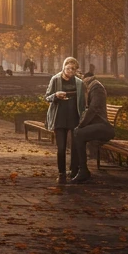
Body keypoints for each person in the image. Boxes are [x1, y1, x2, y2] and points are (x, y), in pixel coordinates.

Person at [44, 57, 85, 186]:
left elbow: (82, 102)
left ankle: (74, 171)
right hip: (59, 118)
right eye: (68, 68)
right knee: (61, 148)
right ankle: (61, 173)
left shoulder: (79, 83)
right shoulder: (55, 79)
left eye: (73, 69)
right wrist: (56, 95)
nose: (70, 71)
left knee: (75, 147)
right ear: (63, 67)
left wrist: (83, 117)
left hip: (74, 118)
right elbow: (47, 97)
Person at [69, 69, 115, 184]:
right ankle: (75, 169)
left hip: (104, 127)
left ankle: (83, 171)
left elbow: (93, 109)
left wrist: (81, 125)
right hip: (97, 125)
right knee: (75, 132)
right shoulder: (90, 87)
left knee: (78, 133)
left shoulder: (97, 88)